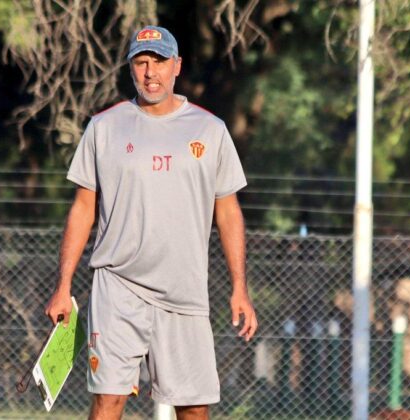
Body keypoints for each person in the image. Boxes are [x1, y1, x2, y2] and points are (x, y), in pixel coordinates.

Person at [45, 25, 258, 420]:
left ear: (176, 66)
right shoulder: (104, 127)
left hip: (184, 292)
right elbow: (83, 208)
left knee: (193, 408)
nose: (150, 72)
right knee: (109, 399)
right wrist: (63, 286)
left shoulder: (210, 130)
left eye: (159, 62)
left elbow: (228, 212)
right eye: (141, 63)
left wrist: (239, 288)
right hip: (117, 287)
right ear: (131, 69)